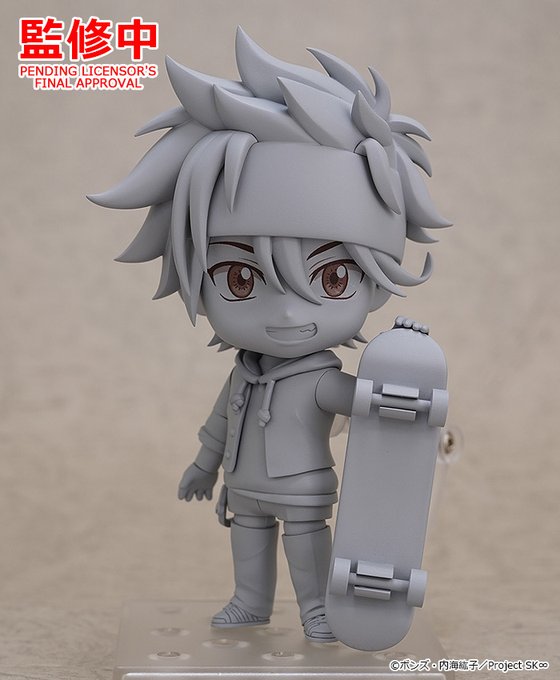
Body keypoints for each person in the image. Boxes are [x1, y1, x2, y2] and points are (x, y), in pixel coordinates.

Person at [89, 27, 450, 642]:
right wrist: (203, 466)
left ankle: (315, 608)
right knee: (248, 546)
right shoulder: (245, 373)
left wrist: (402, 365)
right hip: (244, 484)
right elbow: (219, 422)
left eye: (332, 277)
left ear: (377, 279)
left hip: (302, 487)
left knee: (307, 547)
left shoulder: (318, 379)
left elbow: (360, 401)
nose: (284, 313)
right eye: (239, 278)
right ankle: (250, 602)